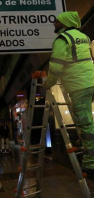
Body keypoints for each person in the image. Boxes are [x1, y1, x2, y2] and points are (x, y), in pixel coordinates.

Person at [43, 11, 94, 176]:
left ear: (64, 23)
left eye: (57, 22)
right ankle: (84, 144)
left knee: (86, 125)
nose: (54, 24)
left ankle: (91, 164)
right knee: (84, 121)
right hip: (89, 82)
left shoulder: (62, 40)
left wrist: (47, 84)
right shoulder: (83, 37)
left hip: (78, 85)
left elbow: (56, 67)